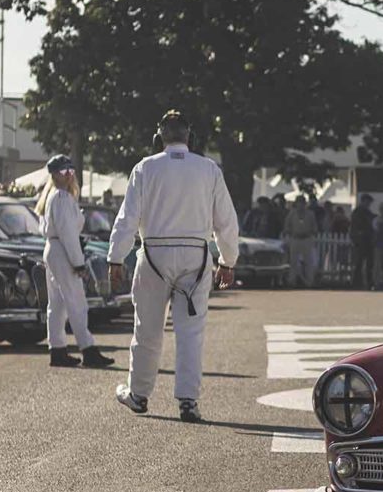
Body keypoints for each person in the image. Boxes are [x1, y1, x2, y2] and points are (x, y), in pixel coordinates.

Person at [108, 110, 239, 423]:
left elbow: (128, 218)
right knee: (190, 333)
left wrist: (115, 257)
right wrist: (227, 261)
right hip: (195, 257)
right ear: (189, 137)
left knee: (147, 329)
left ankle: (138, 394)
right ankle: (188, 401)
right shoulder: (208, 169)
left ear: (159, 137)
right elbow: (226, 221)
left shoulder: (145, 168)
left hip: (153, 255)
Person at [37, 155, 113, 369]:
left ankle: (58, 349)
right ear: (54, 175)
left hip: (53, 249)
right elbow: (68, 233)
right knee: (76, 302)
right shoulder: (61, 197)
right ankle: (88, 349)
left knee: (58, 304)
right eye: (63, 172)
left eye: (71, 171)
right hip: (62, 250)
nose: (68, 176)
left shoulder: (52, 196)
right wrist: (78, 263)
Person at [285, 194, 317, 286]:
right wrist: (290, 233)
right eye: (299, 203)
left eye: (302, 203)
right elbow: (287, 226)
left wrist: (310, 233)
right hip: (295, 239)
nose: (301, 205)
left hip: (306, 239)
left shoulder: (310, 214)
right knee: (293, 261)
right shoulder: (292, 214)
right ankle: (292, 281)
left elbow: (314, 227)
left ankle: (309, 281)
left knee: (308, 261)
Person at [350, 193, 376, 288]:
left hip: (368, 241)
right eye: (367, 202)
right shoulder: (357, 212)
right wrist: (356, 238)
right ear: (363, 201)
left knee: (369, 264)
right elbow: (354, 227)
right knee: (358, 263)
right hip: (360, 241)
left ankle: (368, 283)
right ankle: (356, 283)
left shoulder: (369, 213)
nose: (368, 204)